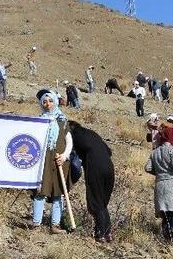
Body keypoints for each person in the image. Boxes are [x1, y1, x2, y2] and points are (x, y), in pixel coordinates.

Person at [31, 90, 72, 234]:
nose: (47, 104)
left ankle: (55, 225)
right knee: (40, 191)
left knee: (58, 192)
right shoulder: (39, 121)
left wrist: (65, 156)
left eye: (50, 101)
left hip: (59, 161)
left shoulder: (62, 120)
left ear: (55, 102)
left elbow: (69, 141)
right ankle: (36, 223)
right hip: (43, 162)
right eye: (44, 102)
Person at [69, 121, 115, 242]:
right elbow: (109, 151)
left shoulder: (75, 135)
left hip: (95, 168)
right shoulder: (92, 134)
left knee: (96, 200)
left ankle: (100, 233)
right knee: (102, 202)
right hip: (109, 167)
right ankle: (107, 233)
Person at [145, 125, 173, 244]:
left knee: (165, 214)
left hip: (160, 185)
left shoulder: (155, 152)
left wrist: (160, 173)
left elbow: (147, 168)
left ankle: (166, 242)